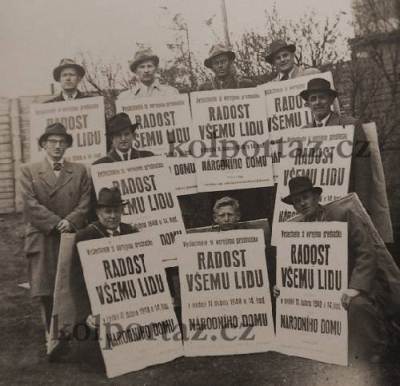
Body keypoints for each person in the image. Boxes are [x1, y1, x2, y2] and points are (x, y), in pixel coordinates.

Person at [277, 176, 392, 362]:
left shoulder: (342, 215)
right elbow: (294, 265)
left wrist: (355, 287)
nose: (302, 204)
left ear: (316, 197)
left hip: (352, 281)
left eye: (305, 197)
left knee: (357, 305)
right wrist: (283, 285)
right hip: (322, 287)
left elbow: (367, 253)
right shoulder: (295, 228)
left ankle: (374, 348)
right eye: (297, 201)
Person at [19, 122, 91, 356]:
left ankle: (66, 331)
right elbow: (29, 205)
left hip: (70, 234)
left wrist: (70, 221)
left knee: (71, 285)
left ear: (67, 145)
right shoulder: (28, 170)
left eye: (62, 142)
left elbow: (85, 201)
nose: (58, 146)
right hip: (43, 236)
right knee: (46, 288)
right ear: (43, 145)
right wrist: (54, 222)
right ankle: (51, 337)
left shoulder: (80, 170)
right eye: (52, 142)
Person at [299, 77, 392, 241]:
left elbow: (364, 168)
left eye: (322, 97)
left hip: (345, 203)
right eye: (313, 99)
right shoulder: (303, 132)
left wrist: (360, 206)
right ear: (308, 104)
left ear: (330, 100)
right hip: (318, 208)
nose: (318, 102)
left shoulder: (352, 125)